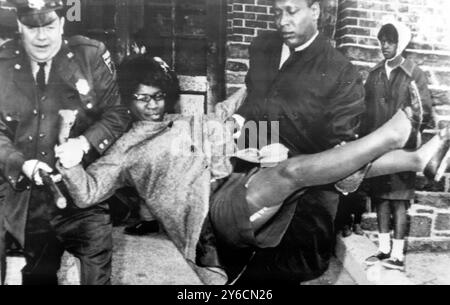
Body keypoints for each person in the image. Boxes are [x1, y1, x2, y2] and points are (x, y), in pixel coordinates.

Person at [57, 89, 450, 284]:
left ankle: (419, 160)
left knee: (321, 167)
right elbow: (87, 192)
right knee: (293, 173)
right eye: (142, 99)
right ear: (129, 101)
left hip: (230, 189)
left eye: (158, 96)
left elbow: (225, 113)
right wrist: (70, 163)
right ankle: (392, 136)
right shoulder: (126, 148)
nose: (153, 105)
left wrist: (258, 84)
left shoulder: (179, 122)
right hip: (207, 222)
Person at [227, 0, 366, 283]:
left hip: (305, 197)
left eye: (292, 11)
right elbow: (255, 101)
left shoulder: (341, 71)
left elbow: (340, 151)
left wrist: (288, 158)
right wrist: (236, 123)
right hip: (251, 177)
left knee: (280, 270)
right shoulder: (263, 48)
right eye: (278, 12)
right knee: (230, 257)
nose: (282, 21)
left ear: (315, 12)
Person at [0, 0, 131, 285]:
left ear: (62, 23)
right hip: (31, 199)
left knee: (96, 278)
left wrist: (83, 143)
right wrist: (20, 163)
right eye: (32, 27)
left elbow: (117, 114)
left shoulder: (89, 56)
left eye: (49, 26)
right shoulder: (3, 64)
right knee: (38, 276)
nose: (42, 36)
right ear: (20, 27)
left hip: (83, 195)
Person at [363, 21, 433, 271]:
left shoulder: (413, 73)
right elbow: (366, 111)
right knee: (381, 199)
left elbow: (424, 112)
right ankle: (383, 250)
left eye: (390, 41)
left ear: (400, 43)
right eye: (382, 41)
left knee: (399, 201)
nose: (385, 46)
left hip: (403, 149)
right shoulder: (374, 74)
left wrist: (409, 126)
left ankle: (398, 253)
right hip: (378, 148)